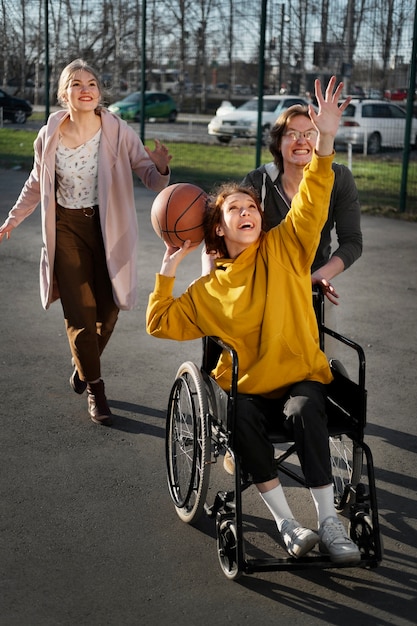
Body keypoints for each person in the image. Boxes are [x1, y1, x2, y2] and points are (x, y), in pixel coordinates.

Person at [146, 76, 361, 565]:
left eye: (251, 207)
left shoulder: (287, 246)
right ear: (218, 229)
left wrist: (324, 140)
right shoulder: (209, 290)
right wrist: (167, 269)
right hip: (250, 391)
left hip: (299, 377)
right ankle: (287, 522)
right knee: (239, 415)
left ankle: (330, 522)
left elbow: (313, 197)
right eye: (234, 209)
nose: (246, 211)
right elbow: (158, 322)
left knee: (309, 408)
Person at [0, 58, 172, 426]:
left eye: (91, 82)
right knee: (80, 312)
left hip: (109, 228)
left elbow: (149, 176)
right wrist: (14, 217)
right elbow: (35, 182)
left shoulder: (116, 129)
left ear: (98, 92)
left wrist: (158, 167)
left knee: (108, 311)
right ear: (65, 94)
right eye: (76, 83)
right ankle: (95, 386)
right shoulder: (48, 135)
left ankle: (82, 367)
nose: (85, 88)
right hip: (66, 228)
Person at [241, 102, 362, 312]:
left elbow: (352, 242)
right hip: (263, 283)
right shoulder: (258, 181)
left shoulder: (339, 179)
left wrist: (320, 275)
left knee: (322, 343)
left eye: (309, 133)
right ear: (278, 143)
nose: (301, 140)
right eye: (292, 134)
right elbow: (229, 233)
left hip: (312, 284)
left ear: (321, 139)